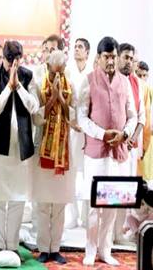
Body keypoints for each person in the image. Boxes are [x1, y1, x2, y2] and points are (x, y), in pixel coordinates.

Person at [77, 36, 136, 266]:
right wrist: (103, 134)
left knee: (112, 205)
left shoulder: (125, 82)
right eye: (106, 57)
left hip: (118, 154)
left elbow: (132, 116)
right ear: (98, 57)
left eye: (113, 56)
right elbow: (81, 117)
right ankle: (90, 250)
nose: (110, 61)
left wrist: (125, 134)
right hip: (96, 153)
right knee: (94, 206)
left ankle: (105, 250)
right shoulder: (88, 81)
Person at [0, 40, 39, 257]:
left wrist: (19, 87)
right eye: (9, 62)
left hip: (21, 147)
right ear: (4, 59)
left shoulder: (28, 76)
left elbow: (34, 106)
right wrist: (9, 87)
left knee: (18, 197)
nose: (12, 66)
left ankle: (13, 245)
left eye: (16, 61)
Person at [31, 51, 74, 264]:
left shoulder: (70, 85)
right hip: (43, 150)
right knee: (42, 203)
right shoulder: (38, 84)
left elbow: (73, 116)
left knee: (59, 203)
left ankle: (55, 248)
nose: (58, 75)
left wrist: (60, 97)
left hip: (63, 152)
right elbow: (36, 117)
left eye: (61, 71)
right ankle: (43, 249)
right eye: (54, 71)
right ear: (48, 67)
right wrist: (52, 98)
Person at [114, 43, 146, 244]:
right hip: (114, 144)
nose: (129, 62)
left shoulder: (137, 83)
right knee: (111, 190)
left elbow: (141, 116)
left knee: (125, 190)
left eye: (131, 59)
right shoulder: (112, 79)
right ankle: (107, 235)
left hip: (130, 146)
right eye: (126, 58)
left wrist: (132, 138)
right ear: (117, 57)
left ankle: (119, 233)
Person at [65, 37, 91, 229]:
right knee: (71, 173)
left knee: (88, 173)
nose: (76, 49)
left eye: (80, 47)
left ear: (87, 52)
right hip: (72, 128)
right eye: (75, 47)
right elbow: (65, 101)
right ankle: (72, 216)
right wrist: (71, 122)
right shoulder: (68, 71)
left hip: (89, 131)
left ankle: (86, 216)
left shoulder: (93, 73)